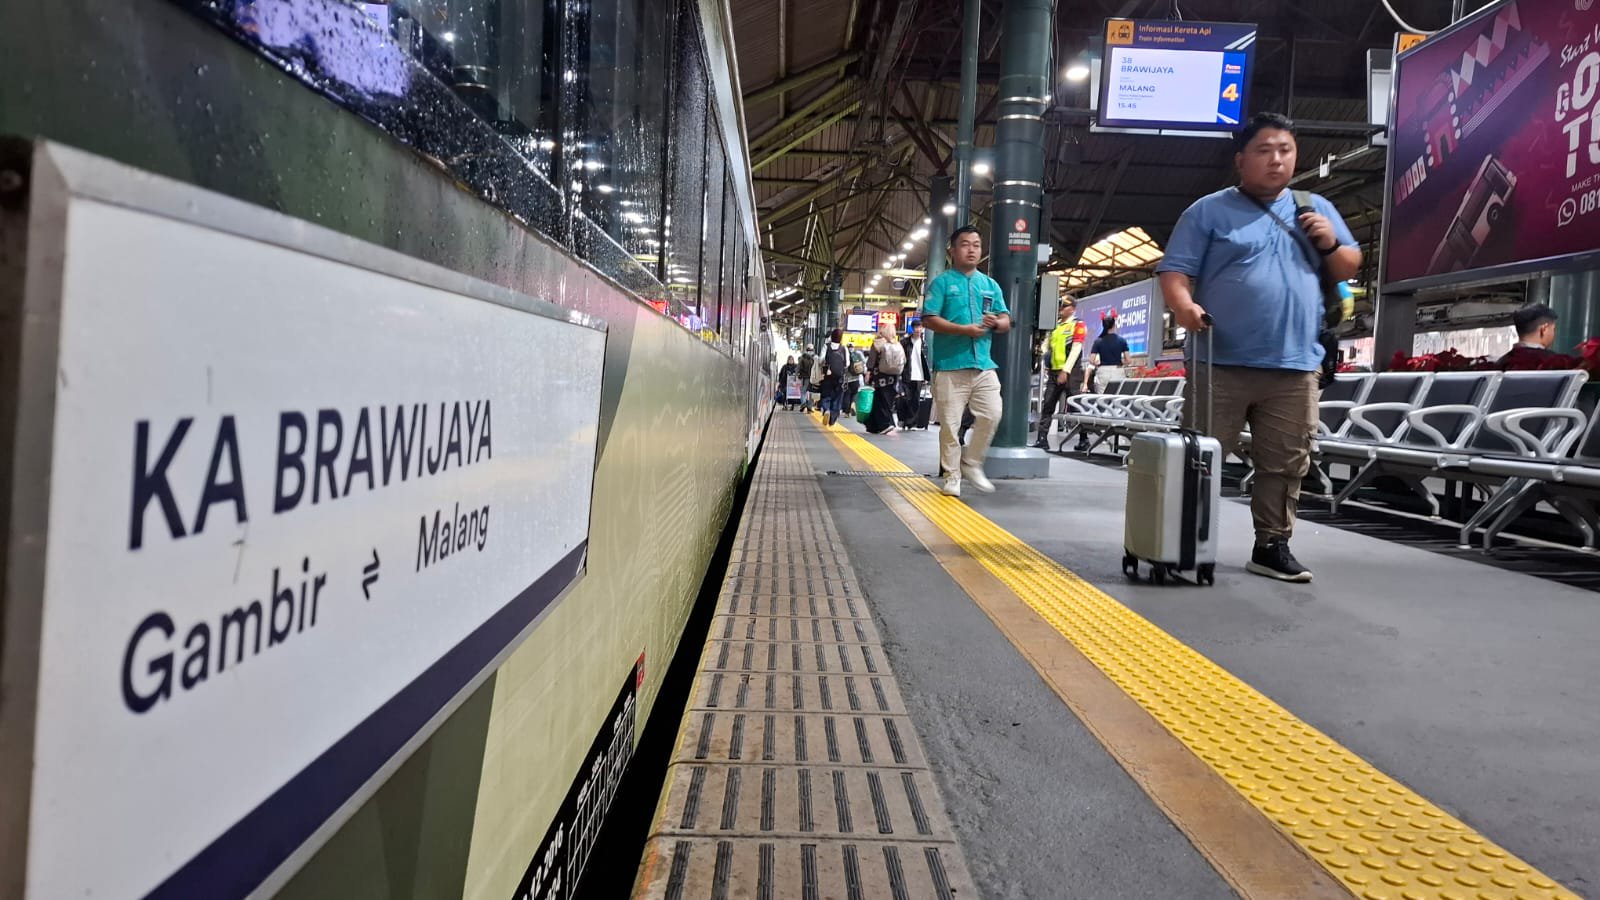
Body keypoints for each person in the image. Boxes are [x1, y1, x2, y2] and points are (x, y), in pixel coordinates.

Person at [1156, 111, 1360, 583]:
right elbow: (1175, 272)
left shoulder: (1315, 207)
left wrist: (1331, 244)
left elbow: (1348, 267)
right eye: (1264, 151)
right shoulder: (1207, 211)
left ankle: (1272, 545)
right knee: (1200, 459)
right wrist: (1184, 307)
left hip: (1294, 365)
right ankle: (1182, 543)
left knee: (1286, 463)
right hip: (1220, 361)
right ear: (1241, 160)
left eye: (1285, 150)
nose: (1276, 160)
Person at [922, 225, 1011, 497]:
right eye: (965, 244)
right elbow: (929, 319)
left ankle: (971, 462)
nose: (972, 250)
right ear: (952, 250)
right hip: (950, 366)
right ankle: (952, 476)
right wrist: (964, 330)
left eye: (976, 245)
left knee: (993, 414)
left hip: (984, 365)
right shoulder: (941, 283)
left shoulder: (990, 285)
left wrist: (997, 323)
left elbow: (1006, 320)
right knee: (950, 426)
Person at [1035, 296, 1086, 451]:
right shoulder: (1055, 325)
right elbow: (1046, 344)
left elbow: (1076, 349)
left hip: (1071, 372)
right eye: (1060, 306)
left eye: (1065, 306)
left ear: (1073, 308)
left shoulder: (1078, 324)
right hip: (1054, 371)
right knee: (1048, 404)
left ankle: (1084, 439)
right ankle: (1042, 438)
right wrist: (1044, 356)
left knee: (1076, 406)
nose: (1061, 308)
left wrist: (1066, 370)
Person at [866, 323, 904, 433]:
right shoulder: (897, 344)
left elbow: (871, 360)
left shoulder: (877, 343)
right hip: (893, 378)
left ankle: (884, 425)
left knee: (878, 401)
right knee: (887, 401)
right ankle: (878, 425)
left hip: (879, 377)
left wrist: (868, 372)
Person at [900, 320, 932, 424]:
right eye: (916, 327)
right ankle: (903, 419)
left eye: (920, 327)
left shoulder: (924, 344)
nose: (918, 330)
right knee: (906, 398)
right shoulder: (905, 342)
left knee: (915, 400)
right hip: (907, 374)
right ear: (912, 329)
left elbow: (925, 361)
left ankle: (911, 422)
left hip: (919, 375)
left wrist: (926, 377)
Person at [818, 330, 849, 426]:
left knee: (826, 395)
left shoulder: (826, 346)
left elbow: (820, 360)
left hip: (828, 375)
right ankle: (832, 418)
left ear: (831, 337)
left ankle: (826, 410)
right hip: (839, 377)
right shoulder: (844, 348)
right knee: (837, 397)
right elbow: (847, 364)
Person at [798, 346, 817, 412]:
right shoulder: (815, 358)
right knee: (812, 392)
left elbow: (799, 367)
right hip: (813, 378)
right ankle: (809, 406)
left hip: (805, 378)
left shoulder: (802, 357)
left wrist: (798, 375)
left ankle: (803, 403)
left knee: (803, 392)